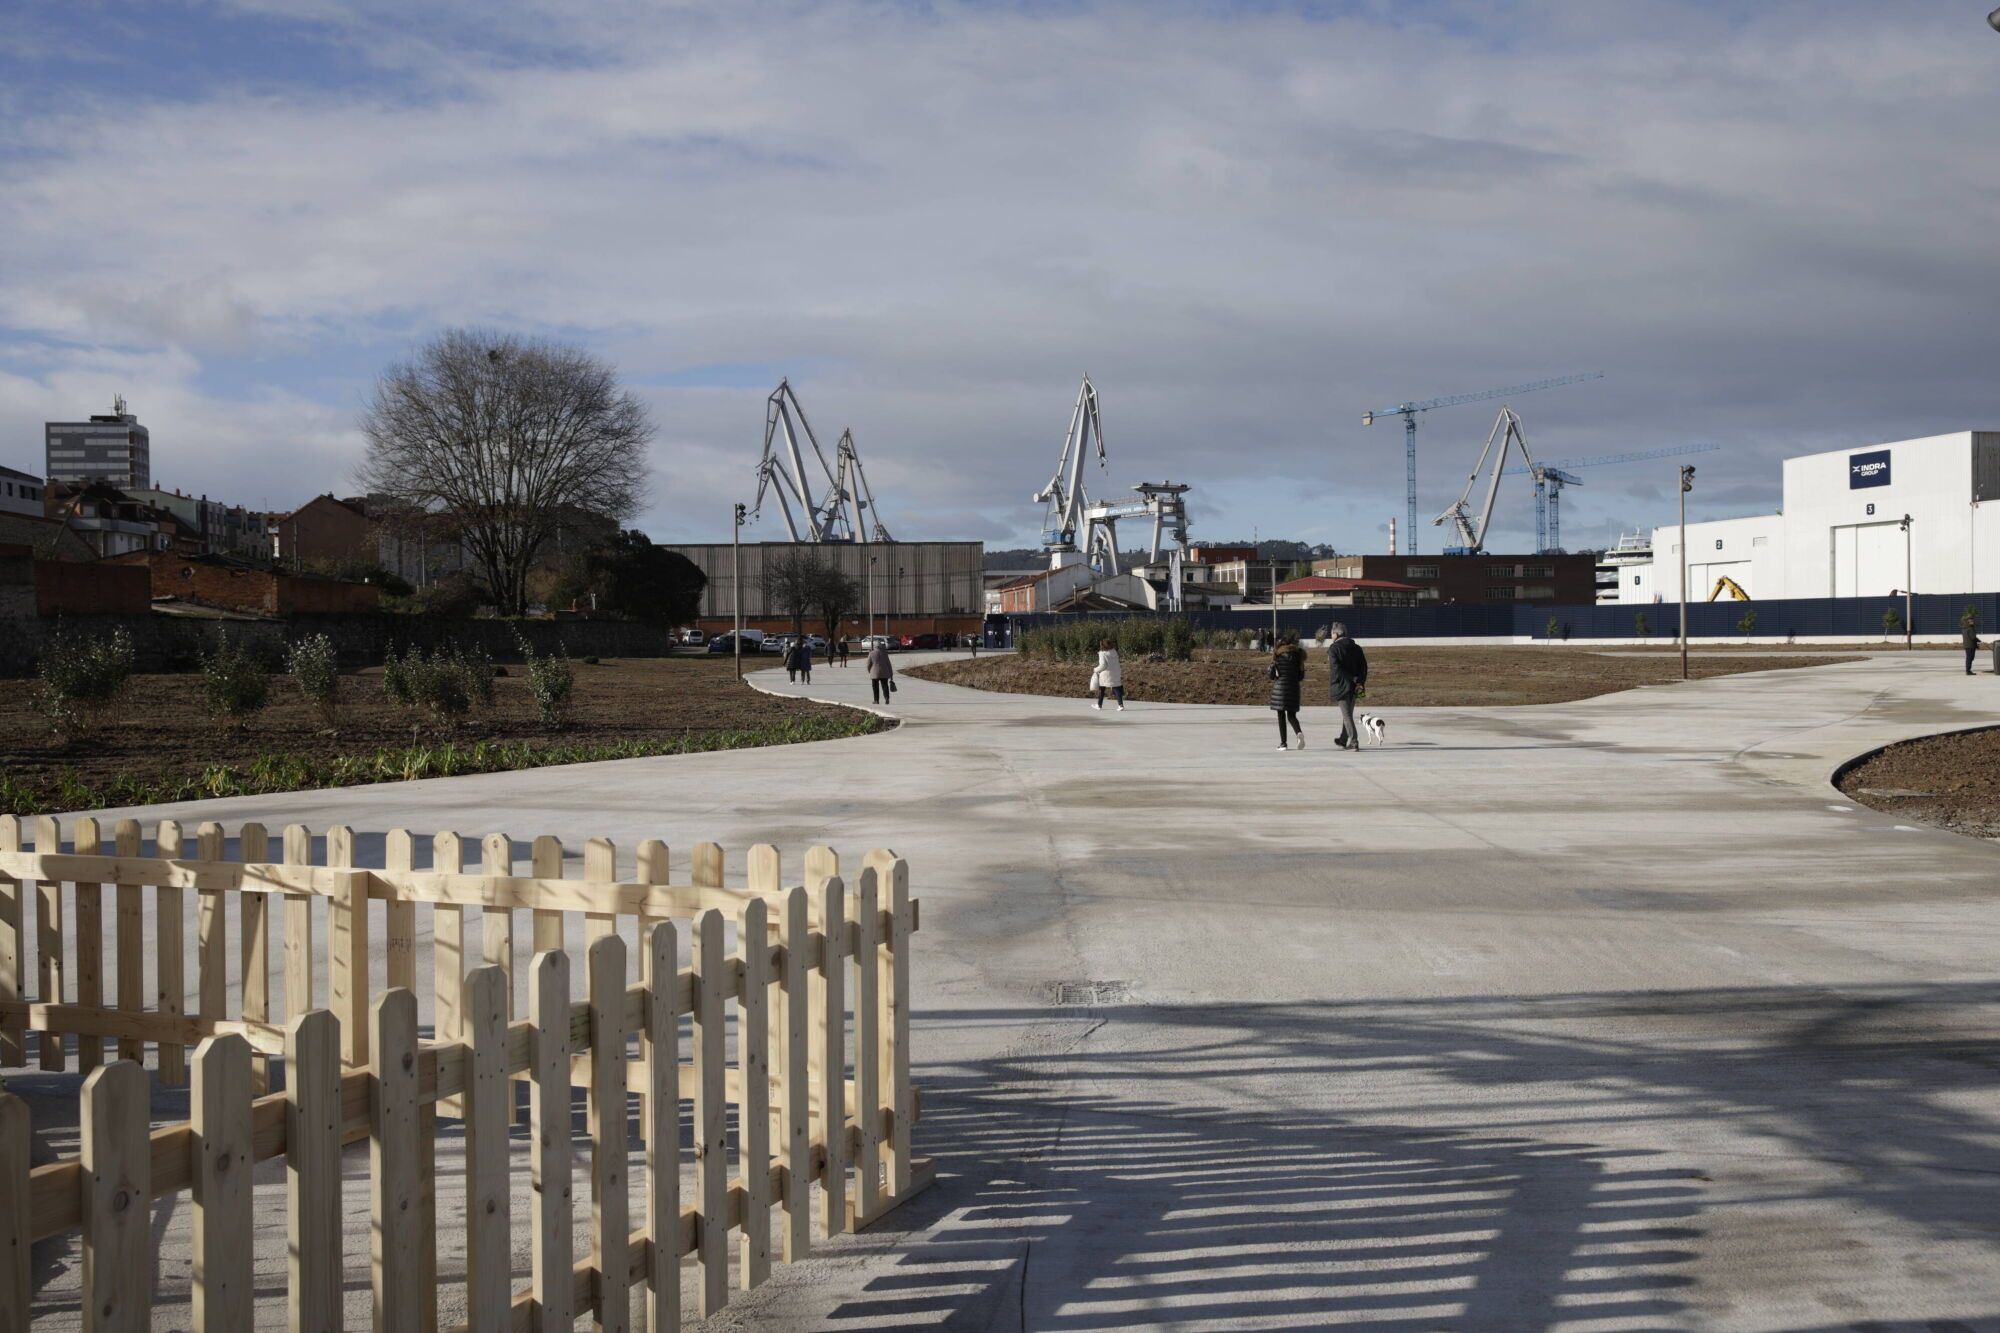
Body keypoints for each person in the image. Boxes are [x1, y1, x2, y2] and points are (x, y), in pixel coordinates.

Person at [1326, 621, 1368, 750]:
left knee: (1346, 715)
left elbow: (1336, 669)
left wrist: (1352, 678)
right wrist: (1360, 681)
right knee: (1348, 713)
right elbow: (1364, 667)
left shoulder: (1333, 649)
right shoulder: (1357, 648)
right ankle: (1343, 739)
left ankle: (1354, 741)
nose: (1331, 635)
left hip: (1341, 685)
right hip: (1355, 686)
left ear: (1337, 634)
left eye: (1332, 633)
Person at [1269, 631, 1305, 750]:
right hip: (1294, 689)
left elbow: (1272, 675)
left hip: (1280, 689)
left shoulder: (1277, 655)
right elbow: (1301, 677)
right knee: (1291, 715)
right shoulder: (1299, 656)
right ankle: (1298, 733)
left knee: (1281, 715)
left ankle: (1283, 743)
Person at [1090, 637, 1125, 711]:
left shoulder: (1102, 654)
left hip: (1106, 674)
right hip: (1116, 672)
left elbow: (1103, 665)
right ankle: (1120, 705)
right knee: (1116, 687)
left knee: (1102, 689)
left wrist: (1095, 669)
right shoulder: (1114, 651)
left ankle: (1099, 705)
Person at [866, 637, 895, 704]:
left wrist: (869, 671)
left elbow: (868, 664)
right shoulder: (885, 653)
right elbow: (888, 664)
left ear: (874, 646)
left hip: (874, 673)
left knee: (875, 687)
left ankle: (876, 700)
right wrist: (891, 673)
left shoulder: (871, 653)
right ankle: (886, 698)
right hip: (884, 672)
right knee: (885, 686)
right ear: (881, 646)